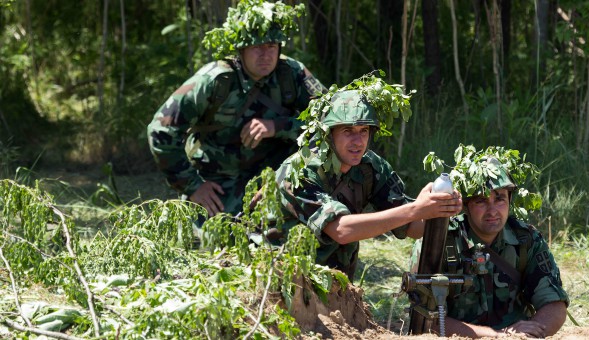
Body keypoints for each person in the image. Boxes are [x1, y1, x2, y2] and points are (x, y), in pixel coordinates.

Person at [147, 0, 326, 217]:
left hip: (277, 178)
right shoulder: (213, 81)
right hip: (219, 184)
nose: (266, 54)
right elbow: (160, 130)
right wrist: (192, 186)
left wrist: (278, 126)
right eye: (257, 47)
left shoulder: (292, 74)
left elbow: (331, 120)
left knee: (298, 236)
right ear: (241, 48)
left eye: (272, 46)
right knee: (217, 240)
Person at [273, 87, 463, 280]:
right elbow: (341, 230)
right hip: (283, 277)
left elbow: (412, 228)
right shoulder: (299, 172)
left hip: (336, 284)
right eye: (348, 131)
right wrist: (416, 209)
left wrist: (438, 208)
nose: (358, 141)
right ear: (329, 134)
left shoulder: (371, 167)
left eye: (364, 131)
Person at [410, 156, 569, 338]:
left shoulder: (527, 240)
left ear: (510, 200)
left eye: (499, 199)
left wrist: (527, 334)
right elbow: (428, 322)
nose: (492, 210)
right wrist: (498, 335)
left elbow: (555, 305)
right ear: (466, 206)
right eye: (481, 200)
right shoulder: (438, 243)